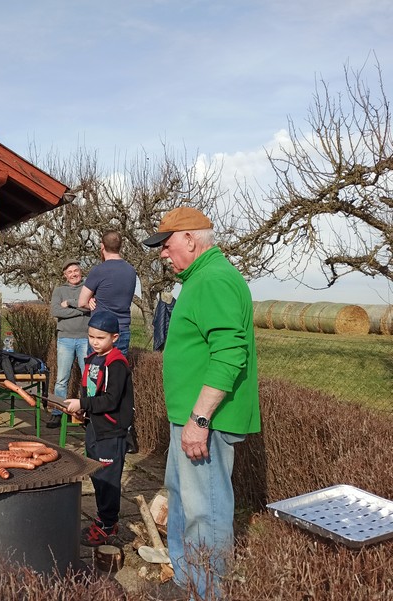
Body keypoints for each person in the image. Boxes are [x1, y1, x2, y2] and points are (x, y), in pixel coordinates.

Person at [143, 206, 260, 599]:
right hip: (190, 420)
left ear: (190, 240)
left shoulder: (213, 279)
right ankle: (185, 580)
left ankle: (206, 592)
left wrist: (199, 420)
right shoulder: (198, 277)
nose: (162, 253)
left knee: (204, 513)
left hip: (205, 423)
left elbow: (230, 354)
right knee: (182, 503)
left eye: (166, 244)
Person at [66, 310, 134, 547]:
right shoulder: (94, 358)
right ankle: (102, 519)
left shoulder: (117, 363)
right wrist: (82, 410)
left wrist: (84, 403)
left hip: (111, 432)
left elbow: (111, 400)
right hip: (94, 427)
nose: (94, 342)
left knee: (108, 480)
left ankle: (108, 524)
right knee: (97, 476)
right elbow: (92, 392)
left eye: (100, 338)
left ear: (115, 338)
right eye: (91, 336)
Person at [78, 230, 137, 354]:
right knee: (117, 371)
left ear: (102, 246)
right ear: (120, 246)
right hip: (122, 329)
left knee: (96, 371)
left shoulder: (99, 270)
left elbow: (82, 302)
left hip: (100, 331)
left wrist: (91, 303)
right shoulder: (131, 271)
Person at [47, 259, 90, 429]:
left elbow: (90, 308)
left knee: (87, 379)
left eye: (76, 270)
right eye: (70, 272)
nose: (73, 274)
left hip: (85, 338)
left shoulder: (87, 289)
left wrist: (71, 303)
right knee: (62, 379)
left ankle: (85, 412)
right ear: (65, 275)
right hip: (65, 338)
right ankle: (58, 412)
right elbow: (56, 311)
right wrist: (80, 307)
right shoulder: (59, 290)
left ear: (81, 271)